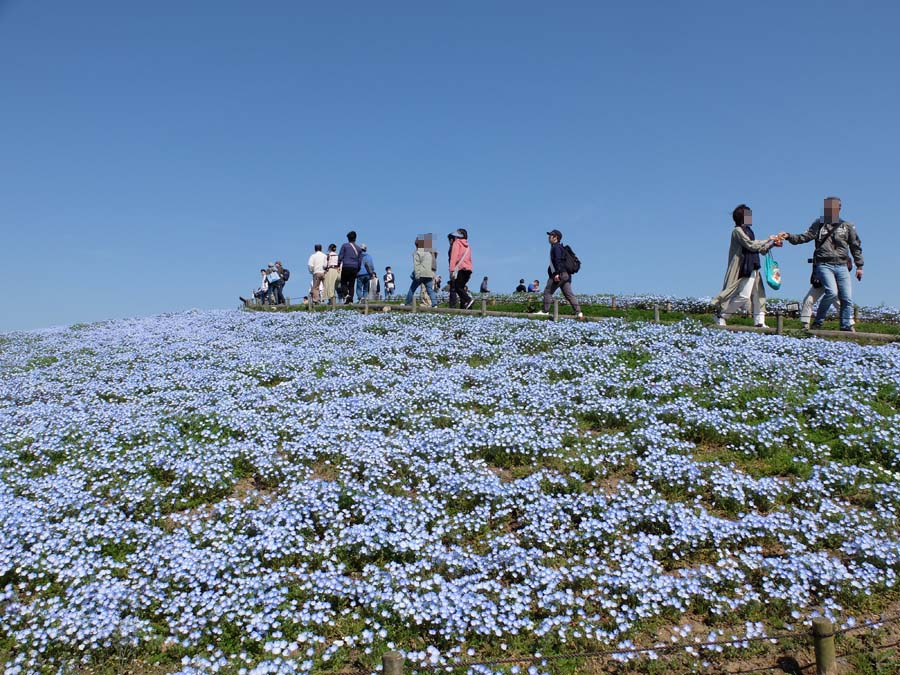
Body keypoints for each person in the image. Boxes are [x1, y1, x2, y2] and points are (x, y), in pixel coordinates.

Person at [778, 196, 864, 332]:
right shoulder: (819, 224)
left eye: (832, 207)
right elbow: (804, 237)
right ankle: (818, 322)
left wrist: (859, 266)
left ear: (839, 209)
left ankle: (845, 326)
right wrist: (789, 236)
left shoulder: (847, 226)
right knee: (831, 292)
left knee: (846, 298)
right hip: (824, 265)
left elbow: (855, 246)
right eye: (827, 207)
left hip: (842, 265)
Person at [710, 205, 780, 327]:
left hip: (753, 266)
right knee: (744, 296)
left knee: (759, 295)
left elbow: (760, 249)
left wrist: (772, 243)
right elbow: (750, 245)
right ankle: (721, 315)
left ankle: (759, 322)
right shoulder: (737, 231)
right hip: (743, 267)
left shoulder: (749, 231)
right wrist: (767, 239)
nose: (751, 218)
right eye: (748, 215)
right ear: (742, 217)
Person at [534, 229, 584, 320]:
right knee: (569, 294)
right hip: (566, 275)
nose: (549, 237)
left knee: (548, 291)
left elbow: (558, 261)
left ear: (556, 237)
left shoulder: (556, 247)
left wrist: (557, 273)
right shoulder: (558, 247)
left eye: (551, 235)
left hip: (560, 274)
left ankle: (545, 311)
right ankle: (579, 313)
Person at [799, 257, 855, 329]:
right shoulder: (820, 253)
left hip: (833, 283)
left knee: (839, 304)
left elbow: (848, 267)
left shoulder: (842, 254)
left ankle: (850, 325)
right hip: (820, 283)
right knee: (808, 300)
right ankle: (805, 324)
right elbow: (815, 268)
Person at [405, 235, 437, 306]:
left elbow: (416, 265)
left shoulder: (417, 253)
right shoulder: (428, 253)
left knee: (412, 289)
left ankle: (407, 303)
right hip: (429, 274)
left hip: (420, 274)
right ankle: (435, 304)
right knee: (430, 290)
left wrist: (416, 275)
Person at [449, 228, 474, 309]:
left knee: (457, 287)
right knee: (461, 288)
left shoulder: (457, 243)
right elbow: (470, 259)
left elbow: (454, 257)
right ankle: (466, 306)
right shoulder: (468, 246)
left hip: (461, 269)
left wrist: (451, 270)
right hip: (468, 270)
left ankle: (468, 300)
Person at [338, 231, 362, 304]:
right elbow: (360, 260)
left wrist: (338, 265)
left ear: (348, 238)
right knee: (351, 285)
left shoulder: (345, 246)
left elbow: (340, 257)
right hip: (354, 267)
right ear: (355, 238)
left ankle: (347, 295)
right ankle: (350, 300)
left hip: (346, 266)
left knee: (343, 283)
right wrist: (358, 269)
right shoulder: (358, 248)